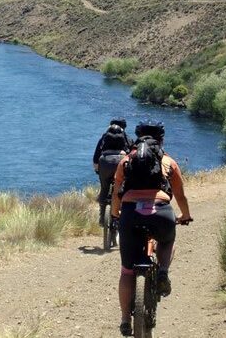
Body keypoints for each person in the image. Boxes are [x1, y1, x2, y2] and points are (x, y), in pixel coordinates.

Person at [110, 120, 192, 336]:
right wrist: (185, 215)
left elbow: (117, 193)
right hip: (161, 212)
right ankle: (163, 271)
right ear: (161, 139)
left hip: (130, 214)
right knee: (166, 240)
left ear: (136, 138)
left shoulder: (126, 161)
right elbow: (181, 196)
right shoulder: (169, 163)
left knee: (127, 271)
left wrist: (115, 214)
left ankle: (125, 319)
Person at [93, 118, 133, 226]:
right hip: (121, 161)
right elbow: (132, 152)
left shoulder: (104, 136)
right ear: (124, 127)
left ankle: (102, 217)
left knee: (104, 187)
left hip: (104, 161)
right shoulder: (126, 137)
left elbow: (97, 153)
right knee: (123, 188)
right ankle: (122, 214)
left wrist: (97, 168)